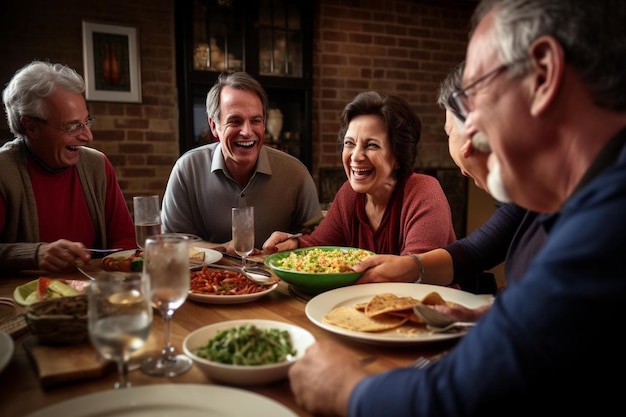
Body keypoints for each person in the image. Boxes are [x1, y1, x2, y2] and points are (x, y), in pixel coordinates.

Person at [288, 0, 626, 415]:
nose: (468, 139)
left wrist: (347, 389)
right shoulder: (581, 191)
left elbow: (458, 397)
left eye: (476, 91)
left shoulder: (608, 217)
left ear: (542, 74)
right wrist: (483, 312)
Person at [354, 62, 547, 297]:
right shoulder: (524, 199)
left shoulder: (570, 205)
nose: (357, 156)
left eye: (449, 131)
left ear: (472, 133)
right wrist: (411, 267)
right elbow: (476, 251)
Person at [263, 91, 456, 258]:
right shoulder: (349, 194)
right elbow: (319, 246)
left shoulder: (424, 192)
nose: (355, 156)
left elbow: (414, 273)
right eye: (349, 143)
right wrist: (294, 244)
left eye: (372, 145)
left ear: (398, 155)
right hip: (361, 300)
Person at [0, 61, 137, 274]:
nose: (87, 136)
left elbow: (124, 242)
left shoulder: (97, 165)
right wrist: (35, 255)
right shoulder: (4, 171)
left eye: (86, 122)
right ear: (31, 126)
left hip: (93, 295)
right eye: (73, 126)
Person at [161, 72, 322, 249]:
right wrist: (223, 250)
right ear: (214, 126)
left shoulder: (295, 173)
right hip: (207, 275)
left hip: (277, 276)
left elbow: (318, 238)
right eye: (235, 121)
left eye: (255, 121)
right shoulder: (187, 170)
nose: (247, 131)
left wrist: (296, 242)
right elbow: (171, 244)